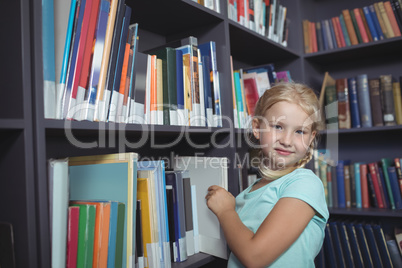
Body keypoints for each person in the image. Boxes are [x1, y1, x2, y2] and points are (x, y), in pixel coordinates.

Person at [206, 82, 329, 267]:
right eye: (278, 127)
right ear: (257, 127)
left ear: (311, 138)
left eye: (299, 131)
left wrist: (225, 211)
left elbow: (255, 257)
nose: (287, 141)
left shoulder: (305, 183)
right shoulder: (251, 190)